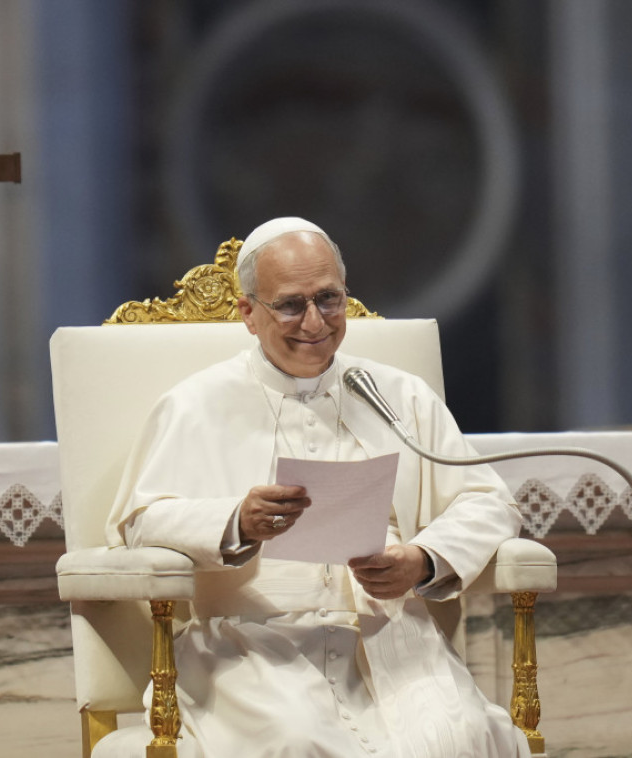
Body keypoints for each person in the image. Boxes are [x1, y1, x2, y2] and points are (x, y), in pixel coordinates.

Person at [100, 217, 531, 758]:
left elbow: (488, 501)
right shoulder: (195, 405)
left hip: (390, 635)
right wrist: (235, 521)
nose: (314, 321)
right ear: (248, 313)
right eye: (290, 305)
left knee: (460, 737)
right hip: (252, 644)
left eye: (328, 298)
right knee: (295, 740)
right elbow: (141, 522)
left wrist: (422, 559)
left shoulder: (399, 395)